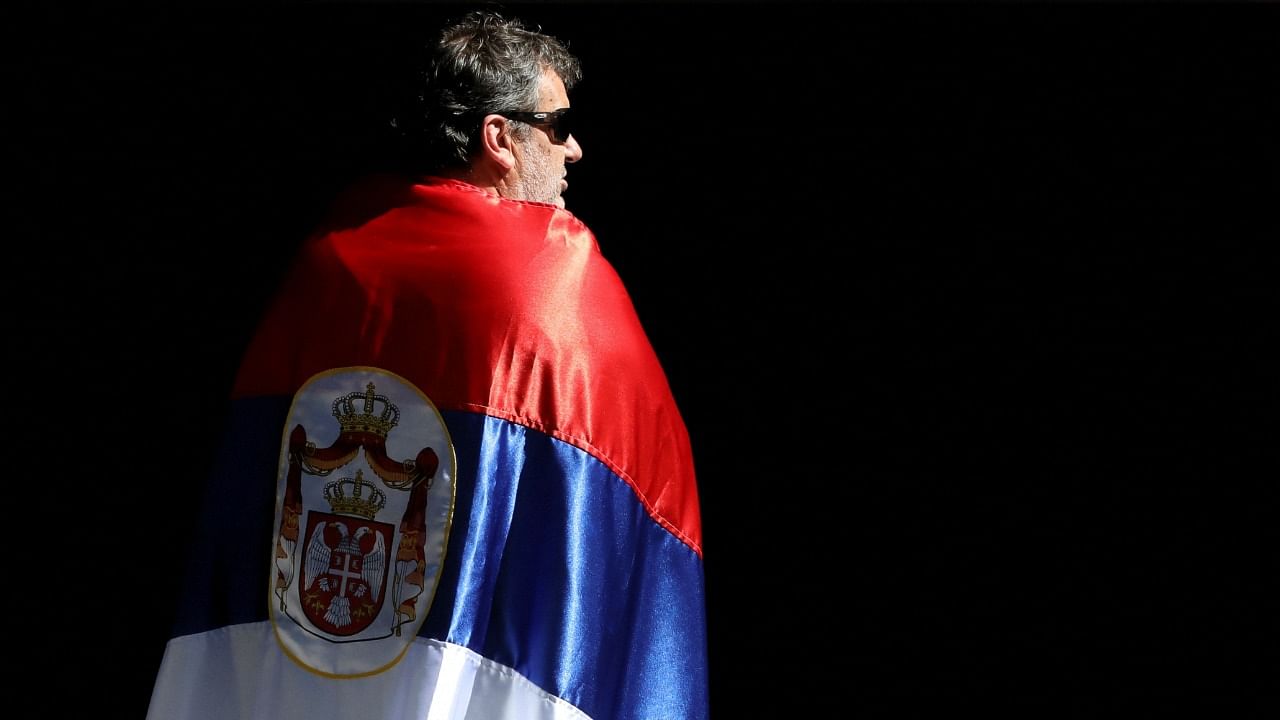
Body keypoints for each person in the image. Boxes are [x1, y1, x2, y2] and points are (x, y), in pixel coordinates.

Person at [146, 9, 709, 720]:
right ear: (499, 138)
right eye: (558, 126)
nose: (575, 151)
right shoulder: (553, 280)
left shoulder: (325, 265)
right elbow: (632, 510)